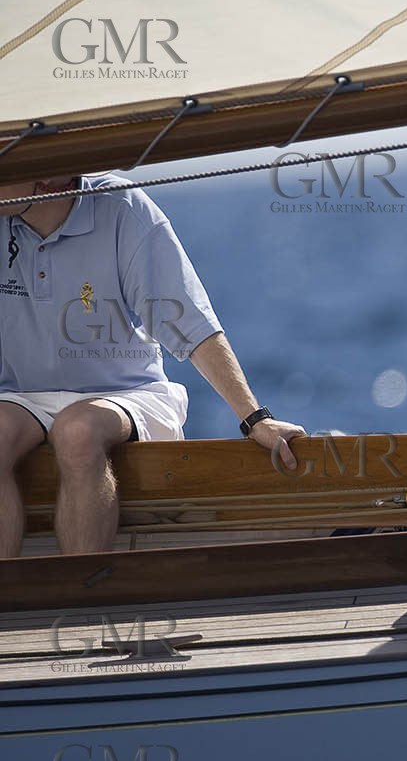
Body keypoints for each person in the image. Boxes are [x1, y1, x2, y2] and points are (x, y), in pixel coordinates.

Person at [0, 172, 305, 557]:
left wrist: (254, 418)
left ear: (46, 180)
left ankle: (82, 601)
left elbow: (192, 325)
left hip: (129, 394)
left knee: (77, 431)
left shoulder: (123, 208)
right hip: (25, 398)